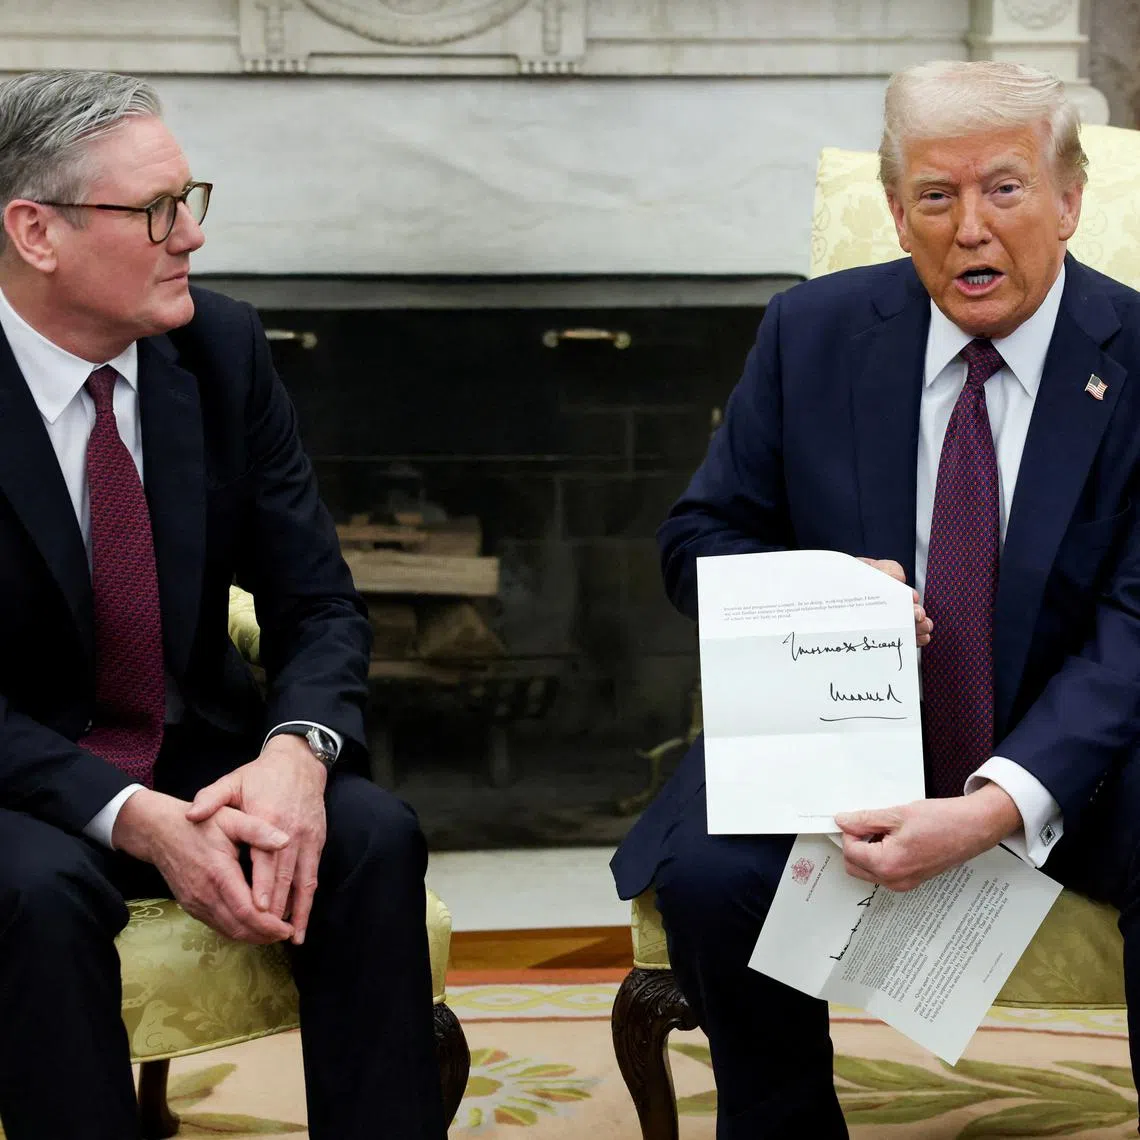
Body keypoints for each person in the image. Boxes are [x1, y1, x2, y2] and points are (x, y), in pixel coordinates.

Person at [612, 58, 1140, 1138]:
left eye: (1005, 188)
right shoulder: (811, 334)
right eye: (936, 198)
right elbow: (697, 541)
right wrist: (819, 591)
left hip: (1079, 756)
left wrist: (993, 807)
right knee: (711, 875)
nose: (970, 229)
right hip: (844, 741)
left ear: (1070, 198)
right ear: (897, 214)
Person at [0, 69, 444, 1139]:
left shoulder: (220, 350)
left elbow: (318, 602)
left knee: (369, 834)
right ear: (35, 232)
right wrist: (132, 820)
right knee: (35, 896)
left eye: (192, 199)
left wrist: (298, 752)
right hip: (18, 773)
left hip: (192, 744)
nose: (190, 236)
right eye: (155, 210)